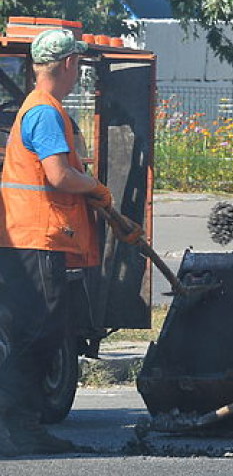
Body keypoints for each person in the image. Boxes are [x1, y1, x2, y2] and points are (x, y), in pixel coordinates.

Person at [0, 29, 115, 456]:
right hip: (36, 238)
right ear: (68, 65)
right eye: (79, 65)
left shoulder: (37, 107)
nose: (79, 73)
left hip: (27, 238)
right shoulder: (45, 112)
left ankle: (18, 424)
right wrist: (97, 189)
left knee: (32, 331)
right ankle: (20, 425)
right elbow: (59, 175)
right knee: (40, 333)